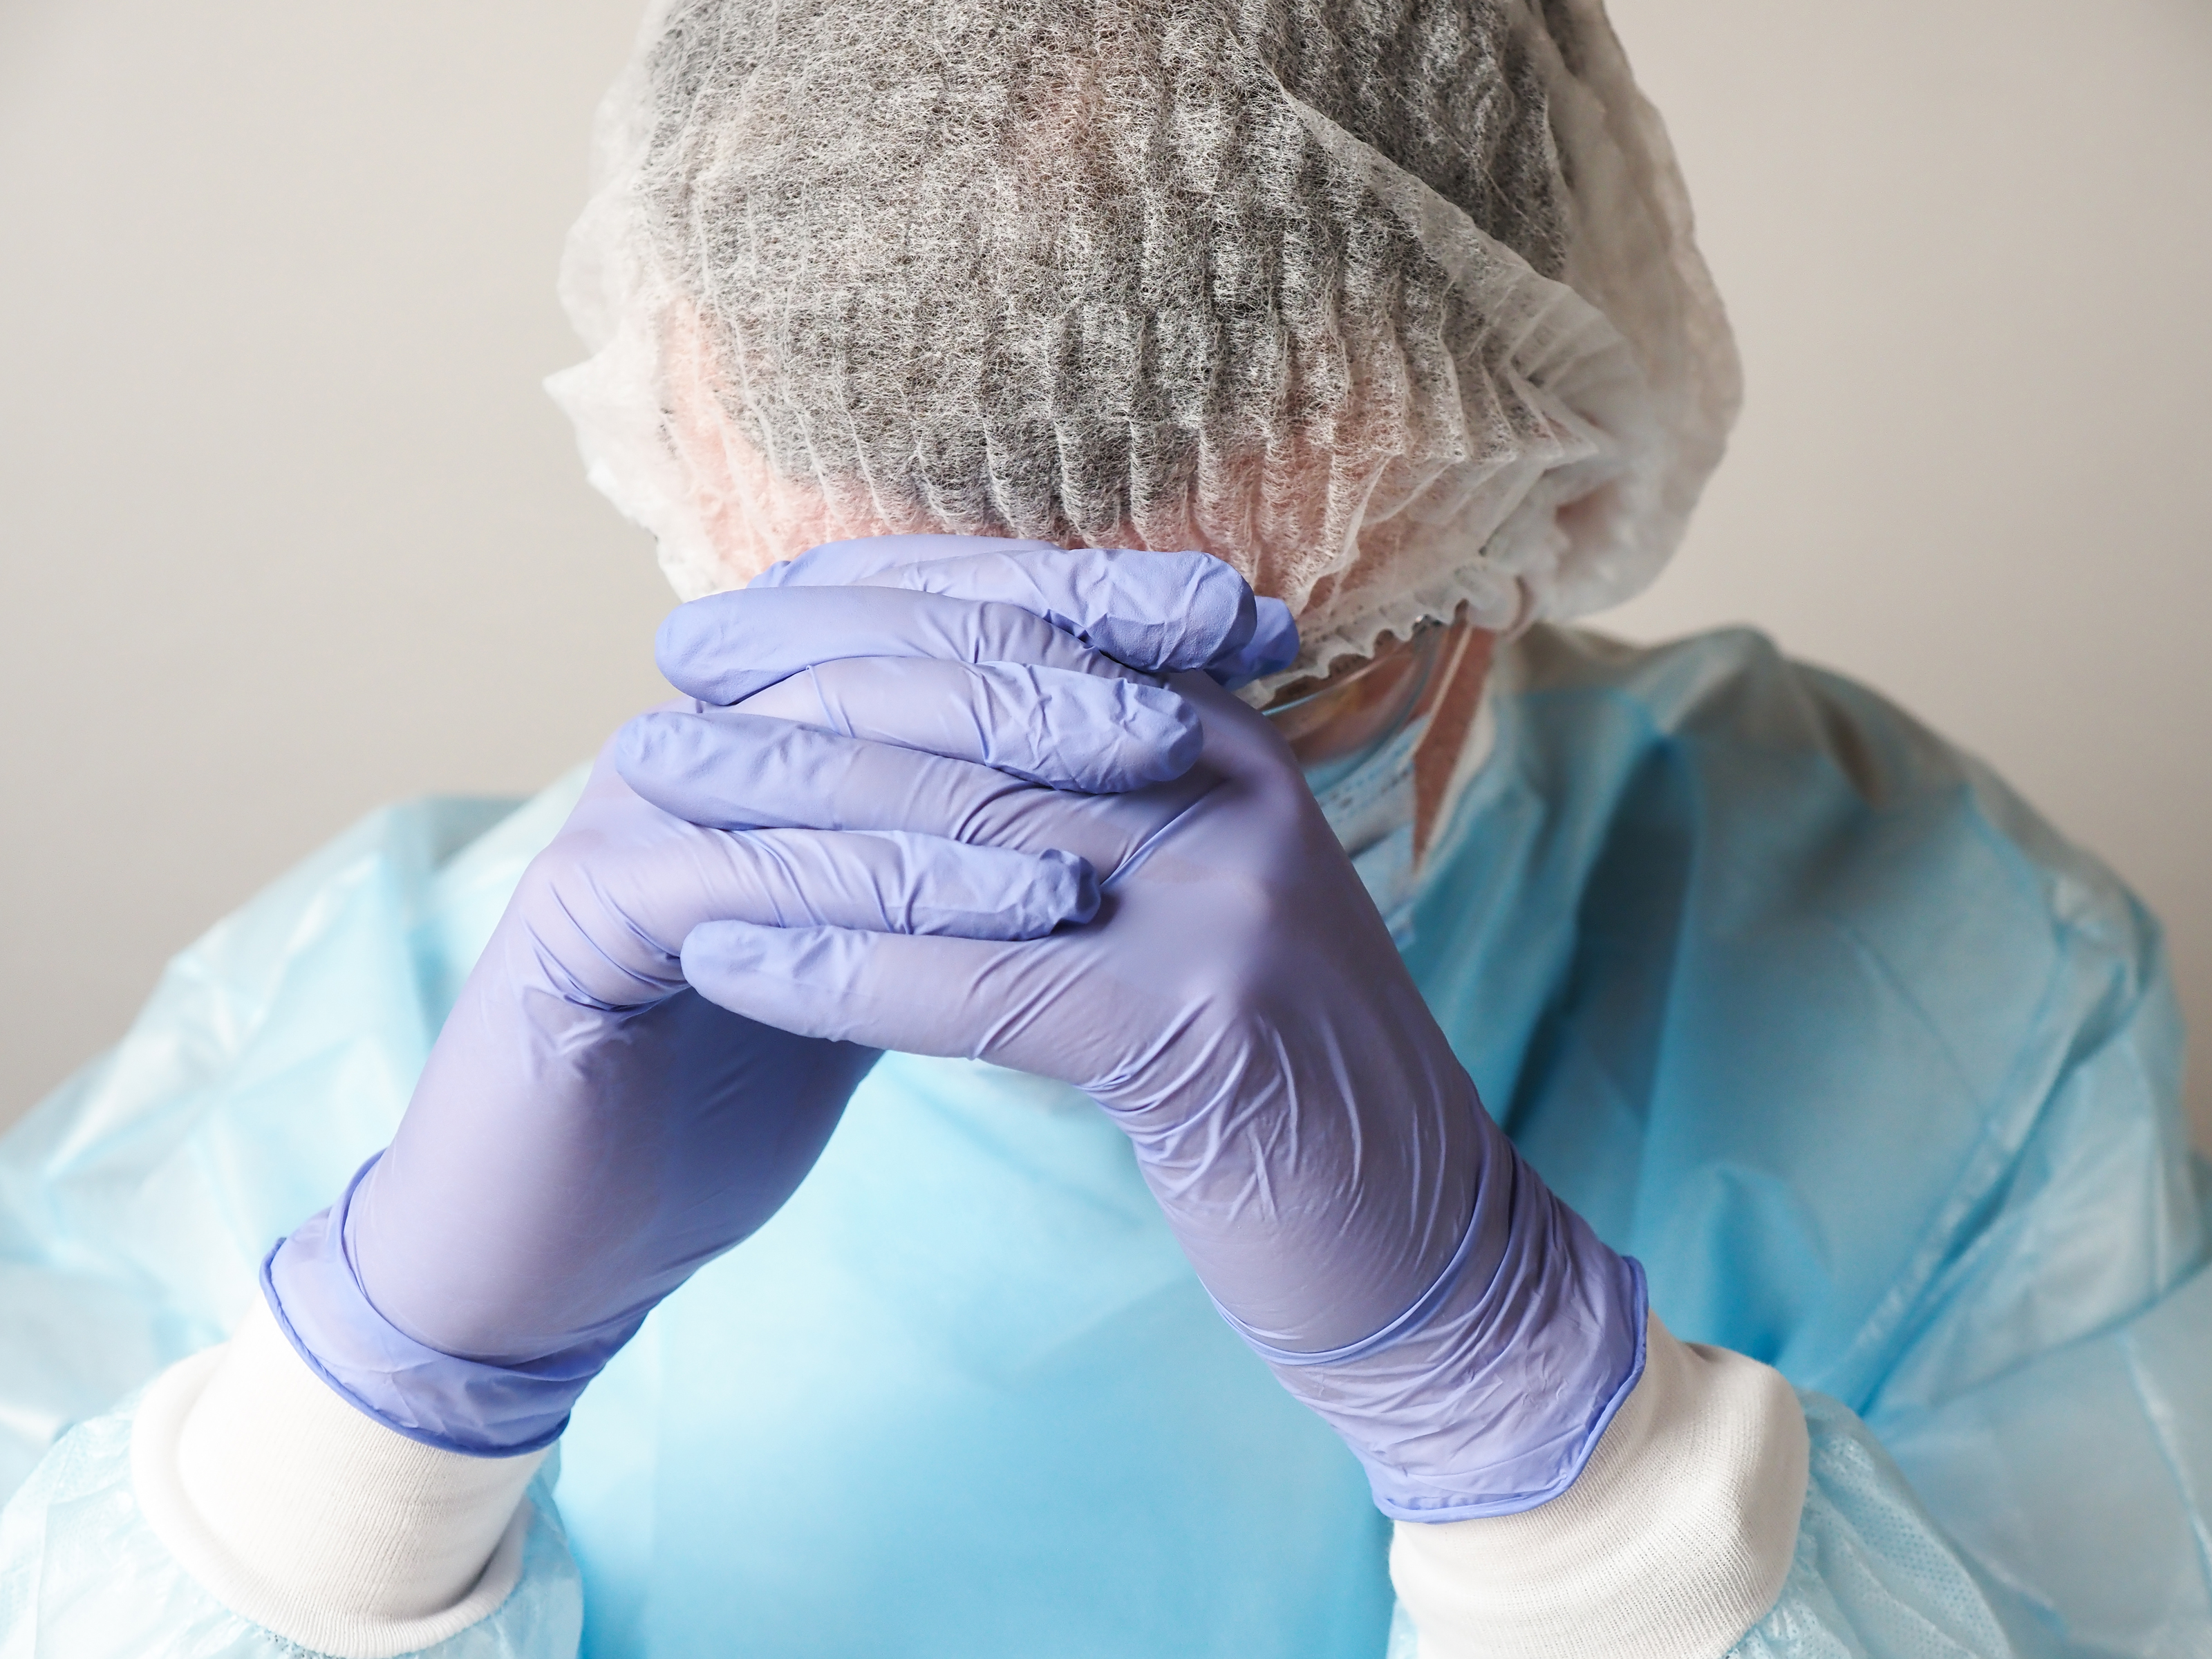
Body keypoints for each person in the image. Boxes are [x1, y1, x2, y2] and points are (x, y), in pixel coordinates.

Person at [1, 2, 2206, 1657]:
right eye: (877, 642)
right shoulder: (348, 1037)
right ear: (690, 438)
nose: (1041, 833)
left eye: (1245, 697)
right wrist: (369, 1429)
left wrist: (1574, 1451)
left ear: (1534, 506)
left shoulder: (1939, 987)